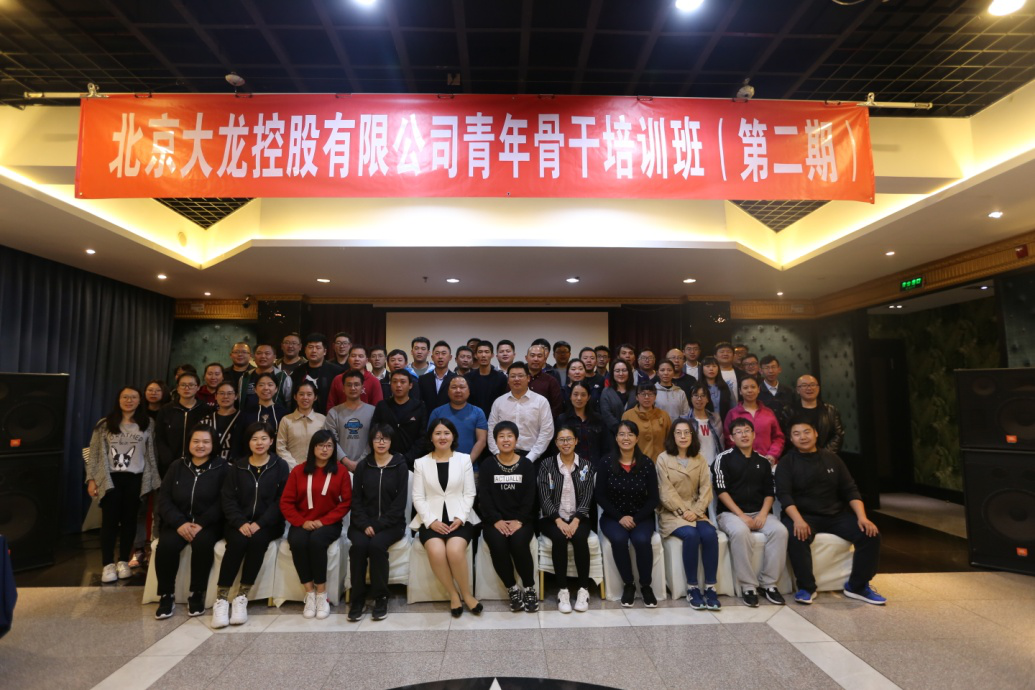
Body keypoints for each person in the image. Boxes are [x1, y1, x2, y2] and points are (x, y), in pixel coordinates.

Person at [776, 418, 885, 605]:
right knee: (796, 535)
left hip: (835, 515)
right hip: (803, 515)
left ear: (816, 433)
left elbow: (850, 489)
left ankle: (858, 586)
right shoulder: (787, 462)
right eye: (796, 434)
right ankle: (806, 587)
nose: (803, 437)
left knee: (870, 534)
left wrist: (862, 517)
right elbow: (784, 495)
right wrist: (798, 520)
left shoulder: (832, 458)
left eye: (807, 432)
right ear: (791, 439)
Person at [212, 423, 290, 628]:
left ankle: (241, 597)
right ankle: (221, 599)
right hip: (238, 522)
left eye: (264, 438)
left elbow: (281, 500)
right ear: (248, 442)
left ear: (271, 441)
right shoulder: (238, 466)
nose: (259, 443)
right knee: (237, 543)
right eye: (254, 439)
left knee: (257, 542)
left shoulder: (280, 466)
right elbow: (228, 498)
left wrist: (260, 523)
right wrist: (240, 522)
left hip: (268, 524)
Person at [86, 386, 160, 583]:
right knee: (109, 522)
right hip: (110, 478)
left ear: (140, 400)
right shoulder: (105, 424)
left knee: (130, 521)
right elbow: (94, 453)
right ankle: (107, 564)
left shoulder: (147, 423)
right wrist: (91, 479)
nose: (129, 400)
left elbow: (151, 453)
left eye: (133, 397)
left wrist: (153, 479)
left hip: (136, 478)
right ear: (118, 400)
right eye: (125, 397)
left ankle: (123, 561)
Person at [153, 425, 227, 619]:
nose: (200, 445)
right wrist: (180, 523)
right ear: (189, 443)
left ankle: (197, 593)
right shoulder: (177, 466)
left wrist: (201, 522)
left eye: (206, 442)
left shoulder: (223, 467)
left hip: (208, 524)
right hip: (178, 522)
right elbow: (164, 499)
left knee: (202, 544)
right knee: (166, 546)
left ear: (214, 444)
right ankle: (166, 595)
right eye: (196, 441)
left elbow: (224, 501)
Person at [713, 418, 788, 607]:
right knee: (740, 532)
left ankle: (769, 584)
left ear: (754, 435)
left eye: (747, 431)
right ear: (731, 437)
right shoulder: (723, 459)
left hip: (759, 512)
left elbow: (769, 493)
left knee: (780, 531)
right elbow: (721, 492)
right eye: (738, 432)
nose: (744, 435)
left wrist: (762, 514)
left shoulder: (763, 461)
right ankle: (748, 586)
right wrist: (742, 516)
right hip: (730, 514)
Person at [410, 420, 482, 617]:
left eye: (446, 433)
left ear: (453, 436)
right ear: (431, 437)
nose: (442, 437)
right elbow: (418, 497)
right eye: (438, 433)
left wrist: (460, 517)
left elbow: (470, 493)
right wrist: (431, 521)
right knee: (436, 551)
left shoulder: (464, 460)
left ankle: (467, 594)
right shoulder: (421, 463)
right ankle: (453, 594)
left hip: (460, 518)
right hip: (431, 519)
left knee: (454, 550)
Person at [281, 431, 352, 620]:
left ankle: (322, 595)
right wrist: (301, 522)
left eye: (329, 446)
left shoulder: (341, 471)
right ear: (313, 448)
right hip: (302, 521)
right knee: (297, 542)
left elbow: (346, 502)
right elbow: (286, 502)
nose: (324, 449)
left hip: (329, 523)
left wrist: (324, 521)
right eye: (320, 445)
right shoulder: (298, 471)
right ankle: (309, 594)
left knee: (317, 541)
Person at [656, 419, 721, 611]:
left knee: (710, 534)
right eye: (678, 433)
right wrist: (684, 511)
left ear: (692, 436)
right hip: (672, 513)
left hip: (696, 510)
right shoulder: (663, 459)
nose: (683, 436)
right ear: (672, 436)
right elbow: (665, 492)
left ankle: (710, 587)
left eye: (687, 433)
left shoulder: (699, 459)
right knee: (691, 535)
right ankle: (692, 588)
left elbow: (706, 489)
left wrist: (696, 511)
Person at [347, 424, 408, 622]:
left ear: (391, 441)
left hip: (392, 524)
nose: (381, 442)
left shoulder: (400, 465)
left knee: (376, 545)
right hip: (362, 524)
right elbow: (356, 500)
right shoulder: (363, 466)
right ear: (371, 441)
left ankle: (381, 596)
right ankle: (357, 598)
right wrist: (365, 524)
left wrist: (378, 525)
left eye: (385, 438)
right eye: (377, 438)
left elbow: (399, 504)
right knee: (358, 547)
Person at [595, 420, 660, 607]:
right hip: (613, 517)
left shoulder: (646, 463)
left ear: (637, 438)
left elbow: (653, 499)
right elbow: (600, 496)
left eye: (630, 434)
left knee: (641, 540)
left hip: (641, 517)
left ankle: (646, 586)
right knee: (619, 539)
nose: (626, 438)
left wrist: (635, 518)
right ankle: (629, 584)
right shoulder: (606, 462)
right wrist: (620, 517)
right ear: (616, 438)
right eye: (622, 434)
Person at [478, 421, 539, 613]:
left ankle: (529, 588)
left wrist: (519, 520)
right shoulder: (488, 465)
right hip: (494, 521)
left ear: (516, 439)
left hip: (521, 520)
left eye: (509, 436)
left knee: (519, 543)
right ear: (495, 440)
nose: (506, 440)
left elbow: (530, 496)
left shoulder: (526, 464)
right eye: (501, 436)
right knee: (498, 544)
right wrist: (496, 520)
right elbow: (484, 496)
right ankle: (512, 589)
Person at [538, 425, 596, 613]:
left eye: (569, 439)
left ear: (576, 441)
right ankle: (562, 590)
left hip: (579, 517)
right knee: (559, 537)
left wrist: (576, 521)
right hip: (552, 518)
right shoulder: (546, 465)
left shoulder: (586, 465)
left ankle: (583, 589)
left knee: (579, 538)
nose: (565, 443)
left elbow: (587, 496)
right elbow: (544, 497)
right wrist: (559, 521)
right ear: (556, 443)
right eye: (561, 440)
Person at [487, 362, 554, 463]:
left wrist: (530, 458)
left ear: (528, 378)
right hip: (503, 456)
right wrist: (498, 454)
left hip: (532, 456)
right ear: (508, 380)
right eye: (513, 376)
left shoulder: (541, 401)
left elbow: (547, 431)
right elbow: (491, 430)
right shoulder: (499, 402)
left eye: (520, 376)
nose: (516, 379)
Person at [155, 372, 212, 477]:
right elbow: (159, 436)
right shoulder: (166, 409)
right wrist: (166, 458)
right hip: (169, 465)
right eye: (183, 385)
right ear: (177, 388)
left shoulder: (206, 410)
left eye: (191, 385)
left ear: (198, 388)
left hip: (198, 463)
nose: (187, 388)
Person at [372, 369, 429, 467]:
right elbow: (374, 432)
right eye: (394, 382)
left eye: (402, 382)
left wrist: (407, 458)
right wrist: (388, 456)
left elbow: (423, 436)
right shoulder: (382, 406)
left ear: (410, 385)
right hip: (385, 460)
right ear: (390, 384)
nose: (398, 385)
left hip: (413, 462)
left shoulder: (419, 406)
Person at [723, 377, 785, 465]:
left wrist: (772, 454)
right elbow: (728, 440)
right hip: (741, 463)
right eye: (745, 388)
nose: (750, 390)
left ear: (758, 389)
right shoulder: (732, 414)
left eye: (753, 387)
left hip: (767, 462)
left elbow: (778, 437)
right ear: (740, 391)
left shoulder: (768, 412)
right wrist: (740, 456)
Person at [325, 369, 376, 471]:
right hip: (340, 467)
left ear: (362, 387)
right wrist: (345, 461)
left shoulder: (373, 411)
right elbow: (330, 440)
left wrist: (360, 461)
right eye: (349, 385)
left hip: (368, 466)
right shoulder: (334, 412)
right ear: (343, 388)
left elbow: (374, 438)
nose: (353, 388)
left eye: (356, 384)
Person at [428, 376, 488, 461]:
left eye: (462, 387)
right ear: (448, 391)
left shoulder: (478, 412)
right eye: (454, 387)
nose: (458, 390)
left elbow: (481, 441)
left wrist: (467, 463)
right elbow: (431, 439)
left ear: (469, 391)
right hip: (441, 463)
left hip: (470, 464)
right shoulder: (437, 412)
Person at [556, 381, 608, 468]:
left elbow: (605, 447)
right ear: (570, 396)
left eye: (583, 395)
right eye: (575, 394)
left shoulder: (598, 419)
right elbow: (556, 447)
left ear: (588, 397)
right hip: (569, 468)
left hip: (594, 467)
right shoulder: (562, 419)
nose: (579, 398)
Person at [275, 381, 326, 469]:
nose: (305, 397)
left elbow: (326, 446)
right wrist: (296, 467)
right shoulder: (286, 420)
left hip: (317, 469)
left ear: (315, 397)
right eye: (301, 394)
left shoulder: (322, 419)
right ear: (295, 397)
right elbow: (281, 448)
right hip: (292, 470)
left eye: (309, 394)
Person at [290, 333, 344, 414]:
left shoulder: (336, 372)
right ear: (305, 350)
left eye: (318, 348)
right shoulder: (298, 371)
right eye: (310, 347)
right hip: (301, 416)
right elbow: (293, 398)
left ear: (325, 351)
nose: (314, 351)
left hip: (329, 417)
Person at [238, 372, 288, 456]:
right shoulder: (246, 413)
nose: (266, 388)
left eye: (270, 385)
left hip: (277, 459)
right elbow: (238, 440)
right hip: (250, 459)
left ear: (276, 389)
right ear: (255, 389)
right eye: (261, 385)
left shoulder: (284, 413)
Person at [792, 375, 846, 453]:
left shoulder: (831, 410)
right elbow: (787, 436)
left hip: (827, 456)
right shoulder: (789, 411)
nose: (809, 388)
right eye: (804, 385)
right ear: (797, 390)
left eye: (812, 385)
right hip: (798, 456)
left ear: (818, 388)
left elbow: (838, 435)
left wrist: (823, 455)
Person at [621, 383, 671, 461]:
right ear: (637, 397)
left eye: (650, 394)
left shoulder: (664, 415)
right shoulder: (628, 415)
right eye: (643, 394)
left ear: (655, 397)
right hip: (636, 461)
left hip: (660, 461)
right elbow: (623, 441)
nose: (647, 397)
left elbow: (670, 440)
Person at [326, 344, 384, 409]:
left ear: (367, 360)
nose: (357, 359)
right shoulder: (338, 379)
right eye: (353, 356)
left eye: (360, 356)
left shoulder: (374, 381)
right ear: (348, 359)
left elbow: (378, 407)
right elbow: (331, 405)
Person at [238, 343, 292, 408]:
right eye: (259, 353)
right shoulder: (245, 377)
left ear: (274, 357)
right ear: (254, 356)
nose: (263, 356)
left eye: (267, 353)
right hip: (248, 414)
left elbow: (289, 403)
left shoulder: (282, 377)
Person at [465, 340, 508, 419]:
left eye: (486, 352)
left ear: (492, 355)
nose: (483, 355)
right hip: (472, 418)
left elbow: (503, 402)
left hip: (495, 419)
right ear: (476, 355)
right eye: (480, 352)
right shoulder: (468, 378)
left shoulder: (501, 378)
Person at [203, 381, 243, 462]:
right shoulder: (206, 420)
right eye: (221, 393)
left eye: (229, 393)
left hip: (235, 465)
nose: (225, 396)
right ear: (215, 396)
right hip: (210, 464)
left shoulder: (244, 419)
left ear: (236, 396)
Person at [689, 384, 725, 467]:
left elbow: (721, 443)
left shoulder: (716, 418)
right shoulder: (686, 420)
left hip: (715, 464)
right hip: (694, 465)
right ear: (690, 398)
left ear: (708, 399)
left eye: (703, 396)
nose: (699, 399)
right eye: (696, 395)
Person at [600, 359, 634, 439]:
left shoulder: (636, 391)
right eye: (617, 371)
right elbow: (606, 414)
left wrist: (631, 430)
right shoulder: (606, 392)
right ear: (612, 373)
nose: (621, 374)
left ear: (629, 372)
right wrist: (620, 430)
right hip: (612, 434)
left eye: (624, 370)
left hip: (634, 433)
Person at [417, 340, 456, 410]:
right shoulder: (423, 379)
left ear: (450, 357)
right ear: (432, 357)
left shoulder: (456, 379)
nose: (440, 356)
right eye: (437, 353)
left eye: (444, 353)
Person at [758, 355, 794, 430]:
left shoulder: (788, 391)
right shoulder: (756, 391)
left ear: (779, 369)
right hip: (764, 430)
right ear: (761, 371)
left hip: (785, 430)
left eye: (773, 367)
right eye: (767, 368)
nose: (771, 371)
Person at [526, 344, 563, 417]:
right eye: (532, 355)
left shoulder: (551, 381)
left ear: (544, 359)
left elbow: (557, 407)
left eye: (539, 356)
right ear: (526, 358)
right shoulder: (519, 379)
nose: (536, 359)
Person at [699, 356, 733, 422]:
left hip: (725, 423)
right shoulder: (697, 387)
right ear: (702, 369)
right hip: (704, 424)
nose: (711, 369)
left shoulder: (725, 386)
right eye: (708, 366)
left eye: (714, 366)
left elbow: (732, 406)